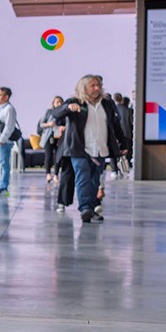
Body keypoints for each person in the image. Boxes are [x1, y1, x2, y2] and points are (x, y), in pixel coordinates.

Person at [59, 74, 130, 224]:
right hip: (80, 150)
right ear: (83, 87)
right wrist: (67, 107)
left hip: (100, 149)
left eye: (98, 85)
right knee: (82, 178)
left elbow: (115, 125)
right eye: (93, 86)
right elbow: (56, 113)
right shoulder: (74, 102)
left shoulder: (107, 103)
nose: (97, 88)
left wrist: (123, 143)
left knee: (94, 181)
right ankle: (85, 208)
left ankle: (90, 209)